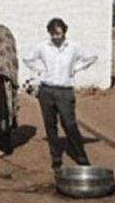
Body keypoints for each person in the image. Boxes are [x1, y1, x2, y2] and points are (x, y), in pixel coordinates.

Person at [22, 17, 98, 169]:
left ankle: (80, 155)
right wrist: (41, 70)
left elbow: (91, 57)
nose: (56, 37)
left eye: (59, 33)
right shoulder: (43, 46)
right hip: (47, 89)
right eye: (53, 33)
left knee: (69, 123)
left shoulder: (73, 47)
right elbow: (27, 59)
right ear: (49, 33)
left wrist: (75, 69)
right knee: (50, 125)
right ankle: (55, 156)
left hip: (65, 90)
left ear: (64, 32)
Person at [0, 24, 19, 157]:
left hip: (4, 88)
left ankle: (5, 147)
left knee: (3, 115)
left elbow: (7, 70)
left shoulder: (5, 50)